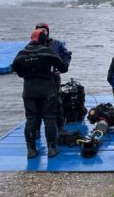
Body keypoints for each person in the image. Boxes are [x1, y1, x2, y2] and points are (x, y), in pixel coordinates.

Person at [12, 29, 68, 158]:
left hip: (29, 90)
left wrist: (27, 74)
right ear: (43, 39)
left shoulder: (22, 53)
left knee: (31, 119)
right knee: (49, 118)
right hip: (47, 89)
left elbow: (15, 69)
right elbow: (64, 68)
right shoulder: (47, 51)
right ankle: (52, 148)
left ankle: (31, 149)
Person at [34, 23, 72, 134]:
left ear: (48, 32)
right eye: (40, 30)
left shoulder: (57, 44)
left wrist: (63, 66)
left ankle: (59, 127)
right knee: (37, 106)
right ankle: (36, 130)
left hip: (53, 78)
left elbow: (67, 55)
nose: (42, 32)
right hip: (38, 80)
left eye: (44, 30)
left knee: (57, 103)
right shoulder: (32, 45)